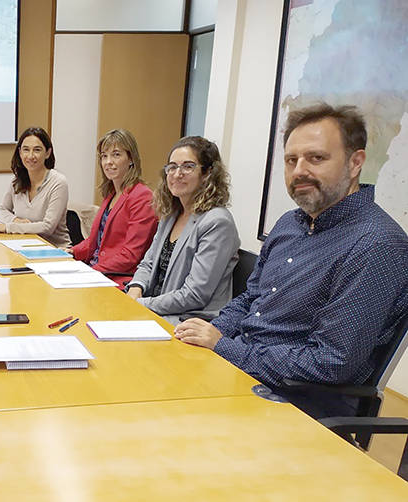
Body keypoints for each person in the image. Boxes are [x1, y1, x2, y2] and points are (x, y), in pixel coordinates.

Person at [174, 103, 408, 418]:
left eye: (317, 158)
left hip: (295, 404)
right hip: (239, 372)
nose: (299, 171)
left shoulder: (375, 244)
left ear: (356, 163)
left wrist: (225, 348)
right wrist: (204, 333)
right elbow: (250, 298)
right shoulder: (289, 223)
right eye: (291, 160)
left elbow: (331, 362)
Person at [126, 136, 239, 324]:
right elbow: (148, 263)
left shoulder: (217, 222)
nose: (177, 174)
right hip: (157, 311)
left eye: (188, 166)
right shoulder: (171, 214)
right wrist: (135, 289)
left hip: (189, 321)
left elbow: (194, 295)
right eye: (172, 167)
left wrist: (142, 304)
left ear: (207, 173)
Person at [69, 129, 157, 286]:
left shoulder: (142, 196)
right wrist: (71, 252)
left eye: (116, 155)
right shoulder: (112, 193)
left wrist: (91, 272)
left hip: (118, 278)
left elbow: (130, 255)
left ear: (131, 159)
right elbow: (96, 240)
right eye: (104, 156)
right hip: (97, 271)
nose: (108, 161)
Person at [0, 127, 70, 247]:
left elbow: (47, 227)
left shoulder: (58, 182)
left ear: (47, 153)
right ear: (20, 153)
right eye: (26, 150)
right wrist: (16, 220)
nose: (30, 156)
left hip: (54, 249)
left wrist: (8, 227)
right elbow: (2, 210)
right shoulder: (17, 181)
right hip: (24, 245)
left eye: (37, 150)